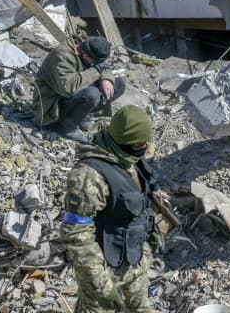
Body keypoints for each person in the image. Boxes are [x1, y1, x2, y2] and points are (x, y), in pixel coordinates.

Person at [60, 106, 162, 313]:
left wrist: (151, 231)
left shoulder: (129, 159)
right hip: (105, 271)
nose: (145, 148)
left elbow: (139, 198)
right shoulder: (88, 177)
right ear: (126, 141)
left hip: (136, 261)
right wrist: (102, 286)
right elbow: (77, 234)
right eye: (141, 143)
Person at [33, 36, 125, 142]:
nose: (96, 64)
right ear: (86, 55)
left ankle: (82, 115)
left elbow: (103, 66)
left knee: (118, 84)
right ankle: (66, 127)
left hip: (70, 97)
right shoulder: (62, 55)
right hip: (51, 105)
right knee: (92, 94)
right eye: (95, 62)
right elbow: (67, 88)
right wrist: (96, 70)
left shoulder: (86, 49)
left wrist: (106, 78)